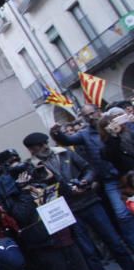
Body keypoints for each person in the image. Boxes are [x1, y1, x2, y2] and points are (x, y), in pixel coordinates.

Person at [3, 162, 134, 270]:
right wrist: (24, 191)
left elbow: (69, 195)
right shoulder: (13, 195)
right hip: (46, 248)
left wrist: (54, 178)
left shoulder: (44, 185)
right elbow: (21, 215)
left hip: (67, 240)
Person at [23, 131, 134, 270]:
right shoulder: (32, 168)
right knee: (87, 251)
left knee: (114, 241)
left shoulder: (65, 152)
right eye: (39, 146)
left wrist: (85, 181)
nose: (45, 147)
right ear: (32, 149)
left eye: (45, 143)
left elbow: (89, 168)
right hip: (68, 209)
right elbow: (40, 192)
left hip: (89, 201)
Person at [52, 104, 134, 248]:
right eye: (87, 115)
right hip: (110, 179)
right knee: (122, 214)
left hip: (128, 174)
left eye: (92, 113)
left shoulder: (118, 126)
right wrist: (57, 133)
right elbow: (68, 141)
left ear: (98, 112)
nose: (91, 117)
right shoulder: (85, 134)